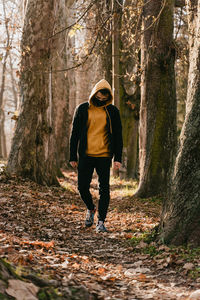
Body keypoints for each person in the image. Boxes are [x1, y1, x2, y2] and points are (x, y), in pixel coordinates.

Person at [69, 79, 123, 233]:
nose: (101, 101)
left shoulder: (113, 111)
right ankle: (91, 208)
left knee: (104, 189)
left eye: (104, 99)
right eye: (98, 98)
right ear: (94, 94)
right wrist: (72, 155)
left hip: (104, 156)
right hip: (86, 155)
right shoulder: (82, 109)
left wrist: (118, 158)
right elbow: (74, 135)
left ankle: (101, 222)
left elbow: (119, 136)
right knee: (82, 187)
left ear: (109, 97)